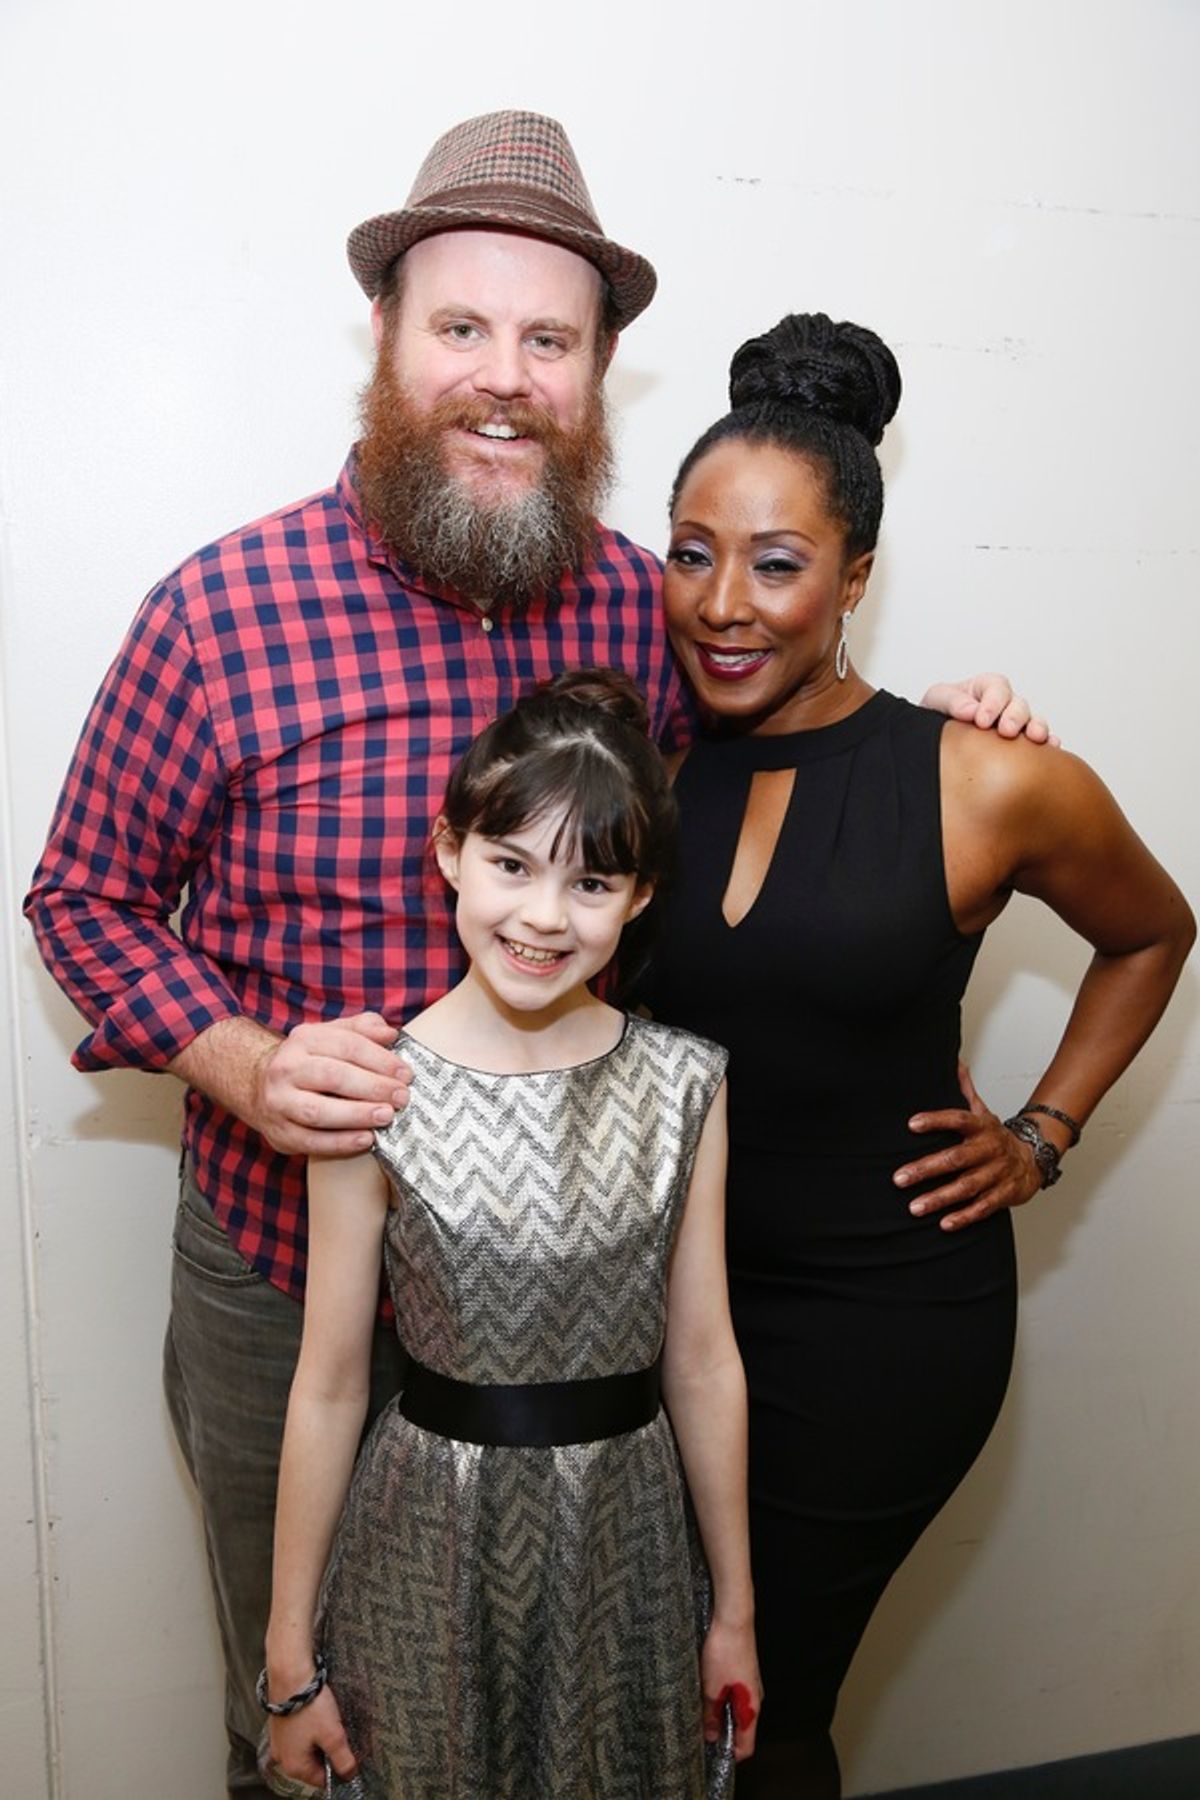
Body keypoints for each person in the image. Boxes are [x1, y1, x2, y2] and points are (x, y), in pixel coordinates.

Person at [24, 109, 1038, 1796]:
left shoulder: (653, 607)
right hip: (297, 1278)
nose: (504, 375)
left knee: (561, 1718)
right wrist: (242, 1061)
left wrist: (967, 736)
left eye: (548, 340)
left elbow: (807, 724)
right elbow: (82, 898)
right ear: (387, 337)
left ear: (600, 370)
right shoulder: (220, 613)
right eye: (463, 327)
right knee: (317, 1722)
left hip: (579, 1309)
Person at [638, 311, 1196, 1799]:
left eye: (777, 562)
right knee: (659, 1683)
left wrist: (1043, 1131)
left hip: (879, 1326)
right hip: (668, 1318)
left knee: (761, 1705)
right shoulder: (648, 773)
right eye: (691, 553)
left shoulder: (983, 775)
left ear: (855, 580)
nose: (724, 603)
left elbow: (1154, 932)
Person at [261, 670, 760, 1799]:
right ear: (449, 850)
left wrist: (732, 1609)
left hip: (625, 1537)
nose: (544, 916)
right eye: (511, 864)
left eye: (591, 880)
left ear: (638, 900)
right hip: (429, 1542)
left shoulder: (684, 1082)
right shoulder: (373, 1086)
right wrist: (290, 1656)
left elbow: (702, 1355)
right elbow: (332, 1384)